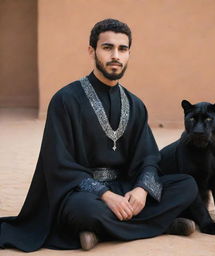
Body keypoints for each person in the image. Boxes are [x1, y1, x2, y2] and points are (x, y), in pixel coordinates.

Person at [0, 19, 198, 252]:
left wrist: (141, 190)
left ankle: (99, 233)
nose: (115, 55)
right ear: (92, 51)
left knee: (186, 185)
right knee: (85, 211)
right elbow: (57, 164)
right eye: (107, 47)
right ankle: (162, 225)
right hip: (82, 193)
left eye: (122, 49)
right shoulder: (65, 100)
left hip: (125, 189)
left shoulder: (136, 105)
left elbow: (148, 158)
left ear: (128, 53)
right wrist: (104, 194)